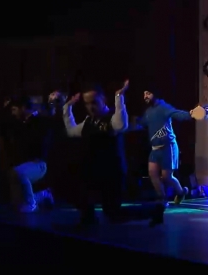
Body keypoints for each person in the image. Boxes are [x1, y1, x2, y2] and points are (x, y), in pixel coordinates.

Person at [63, 81, 162, 226]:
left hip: (112, 173)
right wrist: (68, 107)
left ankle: (155, 210)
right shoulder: (88, 122)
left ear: (103, 100)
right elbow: (71, 131)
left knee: (113, 213)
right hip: (93, 171)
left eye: (94, 102)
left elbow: (121, 124)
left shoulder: (111, 119)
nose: (90, 107)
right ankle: (88, 219)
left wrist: (119, 97)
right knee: (80, 190)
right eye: (87, 104)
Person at [132, 89, 203, 207]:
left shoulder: (164, 107)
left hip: (168, 147)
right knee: (152, 173)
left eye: (148, 93)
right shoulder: (148, 112)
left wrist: (190, 114)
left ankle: (181, 192)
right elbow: (142, 123)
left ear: (155, 94)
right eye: (144, 94)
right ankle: (162, 198)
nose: (145, 96)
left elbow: (177, 114)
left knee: (167, 177)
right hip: (155, 149)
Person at [7, 96, 54, 212]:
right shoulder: (22, 124)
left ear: (23, 108)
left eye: (14, 109)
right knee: (17, 201)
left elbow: (43, 142)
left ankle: (31, 203)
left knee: (17, 173)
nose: (13, 113)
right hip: (29, 162)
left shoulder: (39, 122)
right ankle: (43, 194)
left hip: (39, 163)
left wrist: (39, 156)